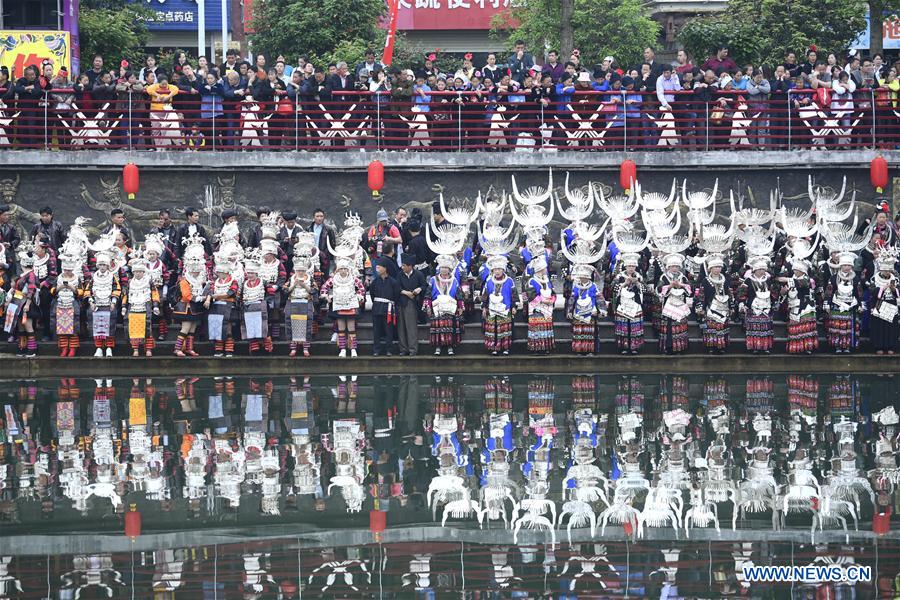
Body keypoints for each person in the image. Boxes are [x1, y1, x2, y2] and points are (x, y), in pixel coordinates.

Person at [320, 257, 366, 357]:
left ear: (348, 269)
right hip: (339, 305)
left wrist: (359, 296)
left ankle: (353, 349)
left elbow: (361, 288)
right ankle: (342, 349)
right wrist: (326, 296)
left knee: (351, 328)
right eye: (341, 269)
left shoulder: (353, 278)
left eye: (345, 269)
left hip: (351, 305)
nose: (343, 271)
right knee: (341, 329)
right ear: (338, 269)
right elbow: (324, 288)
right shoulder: (333, 279)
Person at [171, 235, 208, 357]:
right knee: (185, 329)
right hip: (186, 307)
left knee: (192, 330)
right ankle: (177, 348)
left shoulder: (200, 281)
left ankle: (189, 348)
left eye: (198, 270)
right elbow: (187, 296)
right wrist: (201, 298)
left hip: (195, 308)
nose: (196, 272)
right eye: (194, 270)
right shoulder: (184, 281)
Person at [423, 254, 464, 356]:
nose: (444, 270)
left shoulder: (454, 280)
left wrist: (461, 306)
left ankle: (450, 346)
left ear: (449, 269)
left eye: (446, 268)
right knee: (438, 328)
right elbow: (428, 294)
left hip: (450, 308)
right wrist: (428, 306)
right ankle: (438, 346)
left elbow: (459, 295)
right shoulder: (433, 280)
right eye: (442, 268)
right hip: (437, 307)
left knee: (450, 328)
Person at [85, 251, 121, 357]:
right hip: (96, 305)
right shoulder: (93, 277)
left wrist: (113, 302)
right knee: (97, 327)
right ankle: (99, 347)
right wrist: (91, 302)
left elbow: (117, 289)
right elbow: (87, 290)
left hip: (108, 305)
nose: (102, 267)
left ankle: (109, 347)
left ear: (108, 266)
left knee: (110, 326)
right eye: (100, 265)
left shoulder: (112, 277)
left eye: (104, 265)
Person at [4, 246, 39, 356]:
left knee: (28, 326)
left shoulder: (31, 274)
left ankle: (32, 349)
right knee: (20, 326)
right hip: (17, 302)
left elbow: (32, 289)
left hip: (25, 303)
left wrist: (27, 304)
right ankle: (22, 347)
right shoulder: (23, 275)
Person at [122, 258, 160, 357]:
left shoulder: (149, 281)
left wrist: (155, 305)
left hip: (145, 307)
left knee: (147, 329)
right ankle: (135, 349)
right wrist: (124, 306)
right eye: (136, 272)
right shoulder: (130, 282)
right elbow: (125, 295)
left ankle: (148, 349)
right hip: (133, 307)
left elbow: (154, 293)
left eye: (140, 272)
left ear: (143, 272)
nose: (138, 274)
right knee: (134, 329)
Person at [481, 256, 518, 356]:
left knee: (505, 330)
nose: (497, 272)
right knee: (493, 330)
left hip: (505, 309)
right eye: (495, 269)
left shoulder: (509, 281)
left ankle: (506, 348)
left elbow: (514, 294)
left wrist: (514, 306)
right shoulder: (489, 281)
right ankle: (494, 347)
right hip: (492, 310)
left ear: (503, 270)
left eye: (499, 269)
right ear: (492, 270)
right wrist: (484, 307)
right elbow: (485, 295)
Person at [825, 252, 861, 353]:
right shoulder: (833, 278)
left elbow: (858, 293)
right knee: (838, 326)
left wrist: (860, 305)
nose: (847, 267)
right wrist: (827, 304)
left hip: (851, 306)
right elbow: (829, 293)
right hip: (837, 305)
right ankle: (838, 346)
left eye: (849, 265)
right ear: (840, 266)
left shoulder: (855, 278)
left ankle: (847, 346)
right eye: (845, 265)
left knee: (848, 327)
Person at [780, 260, 818, 354]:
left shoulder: (808, 280)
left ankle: (807, 347)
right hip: (794, 306)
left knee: (806, 327)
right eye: (794, 269)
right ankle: (796, 347)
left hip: (806, 306)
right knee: (795, 327)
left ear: (803, 271)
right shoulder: (791, 280)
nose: (795, 271)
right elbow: (784, 294)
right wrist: (783, 292)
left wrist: (788, 280)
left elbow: (803, 284)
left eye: (797, 269)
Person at [657, 254, 692, 354]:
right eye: (673, 266)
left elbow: (691, 290)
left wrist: (681, 285)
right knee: (669, 327)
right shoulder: (664, 277)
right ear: (668, 267)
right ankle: (669, 347)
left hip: (681, 305)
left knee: (680, 325)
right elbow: (659, 289)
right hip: (669, 305)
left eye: (677, 266)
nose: (675, 268)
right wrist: (670, 286)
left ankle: (680, 347)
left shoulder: (683, 278)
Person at [567, 264, 604, 355]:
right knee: (579, 332)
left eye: (584, 277)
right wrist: (569, 310)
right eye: (581, 277)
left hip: (591, 312)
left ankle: (590, 350)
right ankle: (579, 350)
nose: (582, 278)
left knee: (589, 333)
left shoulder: (593, 286)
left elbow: (599, 298)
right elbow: (572, 299)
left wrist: (601, 310)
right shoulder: (576, 286)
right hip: (578, 312)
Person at [739, 257, 774, 354]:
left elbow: (773, 293)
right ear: (755, 270)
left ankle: (765, 346)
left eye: (763, 269)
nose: (762, 271)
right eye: (760, 269)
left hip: (766, 307)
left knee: (766, 327)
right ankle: (755, 347)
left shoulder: (768, 280)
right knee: (754, 327)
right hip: (753, 307)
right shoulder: (748, 281)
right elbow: (742, 294)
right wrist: (742, 303)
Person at [51, 253, 83, 357]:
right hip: (60, 304)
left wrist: (72, 288)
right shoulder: (58, 278)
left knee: (73, 327)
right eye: (65, 270)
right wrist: (59, 288)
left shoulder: (77, 278)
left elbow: (81, 292)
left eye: (69, 270)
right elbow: (52, 291)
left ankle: (72, 348)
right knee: (61, 328)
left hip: (72, 304)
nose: (67, 272)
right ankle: (64, 348)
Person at [284, 256, 317, 357]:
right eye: (298, 270)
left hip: (306, 302)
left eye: (302, 270)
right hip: (293, 302)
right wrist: (293, 285)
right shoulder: (291, 279)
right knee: (291, 325)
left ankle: (305, 348)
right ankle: (293, 348)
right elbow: (285, 290)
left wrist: (305, 286)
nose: (300, 272)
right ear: (295, 271)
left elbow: (315, 290)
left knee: (306, 325)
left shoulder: (310, 279)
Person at [697, 255, 731, 354]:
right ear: (710, 268)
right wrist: (701, 307)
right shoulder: (705, 281)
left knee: (722, 327)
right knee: (711, 328)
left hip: (723, 307)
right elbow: (702, 296)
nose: (718, 269)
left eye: (719, 267)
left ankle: (721, 346)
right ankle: (711, 346)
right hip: (710, 307)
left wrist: (731, 306)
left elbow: (729, 293)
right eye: (715, 267)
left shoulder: (725, 280)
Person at [612, 253, 645, 354]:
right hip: (623, 304)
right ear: (625, 266)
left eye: (633, 266)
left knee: (635, 326)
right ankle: (624, 347)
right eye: (629, 266)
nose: (631, 268)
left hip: (635, 304)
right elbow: (613, 288)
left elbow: (645, 289)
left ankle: (634, 347)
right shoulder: (619, 276)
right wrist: (624, 284)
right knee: (624, 326)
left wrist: (637, 283)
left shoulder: (639, 276)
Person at [868, 249, 899, 354]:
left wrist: (894, 290)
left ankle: (890, 346)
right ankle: (879, 346)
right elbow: (871, 291)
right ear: (881, 269)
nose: (887, 272)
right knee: (879, 327)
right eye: (885, 270)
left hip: (891, 304)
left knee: (891, 327)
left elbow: (898, 293)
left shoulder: (895, 278)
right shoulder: (874, 279)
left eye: (889, 270)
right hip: (879, 304)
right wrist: (882, 289)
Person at [207, 256, 239, 357]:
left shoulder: (233, 281)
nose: (218, 274)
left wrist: (219, 296)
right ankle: (218, 349)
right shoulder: (216, 282)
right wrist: (209, 298)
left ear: (226, 272)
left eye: (220, 272)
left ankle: (229, 349)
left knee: (228, 328)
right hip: (216, 307)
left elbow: (231, 292)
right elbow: (211, 291)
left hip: (228, 307)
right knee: (216, 328)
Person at [524, 256, 555, 353]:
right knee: (537, 328)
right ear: (540, 270)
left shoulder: (547, 280)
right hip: (536, 309)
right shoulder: (531, 281)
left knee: (546, 328)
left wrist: (553, 299)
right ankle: (536, 348)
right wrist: (543, 300)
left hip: (547, 309)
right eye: (545, 268)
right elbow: (531, 296)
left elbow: (553, 292)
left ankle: (546, 347)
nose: (546, 270)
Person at [369, 257, 400, 356]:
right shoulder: (374, 282)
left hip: (388, 309)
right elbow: (372, 295)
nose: (377, 269)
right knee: (376, 330)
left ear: (385, 268)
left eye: (379, 267)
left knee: (389, 330)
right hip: (377, 308)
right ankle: (376, 349)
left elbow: (396, 296)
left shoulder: (393, 282)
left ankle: (389, 349)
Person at [241, 254, 271, 355]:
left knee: (263, 327)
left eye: (252, 273)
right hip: (248, 308)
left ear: (256, 273)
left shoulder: (264, 282)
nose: (250, 275)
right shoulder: (244, 284)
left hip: (260, 307)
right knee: (251, 327)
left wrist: (265, 302)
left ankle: (267, 346)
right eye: (248, 273)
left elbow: (270, 293)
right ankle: (254, 347)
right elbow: (239, 295)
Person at [397, 254, 426, 356]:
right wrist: (405, 292)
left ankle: (413, 349)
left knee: (411, 327)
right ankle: (403, 349)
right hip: (401, 301)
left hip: (413, 302)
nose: (402, 267)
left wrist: (419, 289)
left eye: (404, 265)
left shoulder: (419, 274)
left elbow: (424, 285)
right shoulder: (400, 275)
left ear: (410, 266)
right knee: (401, 327)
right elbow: (396, 287)